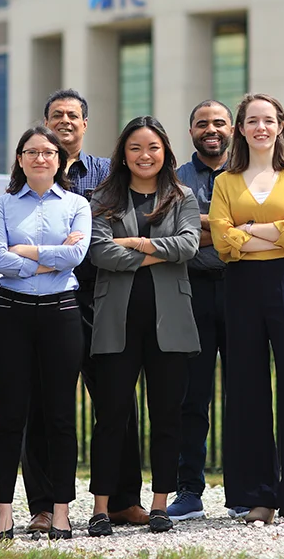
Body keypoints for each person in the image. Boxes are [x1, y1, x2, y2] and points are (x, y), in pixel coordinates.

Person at [22, 88, 149, 531]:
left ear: (85, 124)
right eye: (56, 115)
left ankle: (121, 499)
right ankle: (42, 506)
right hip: (47, 299)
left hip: (102, 298)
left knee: (117, 400)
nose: (65, 122)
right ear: (45, 122)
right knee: (43, 401)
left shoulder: (109, 174)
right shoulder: (29, 173)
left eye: (73, 115)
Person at [208, 93, 284, 525]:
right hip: (240, 286)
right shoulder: (225, 181)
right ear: (240, 128)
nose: (261, 127)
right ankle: (257, 495)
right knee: (246, 387)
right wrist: (273, 231)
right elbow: (222, 242)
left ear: (280, 126)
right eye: (252, 120)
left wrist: (246, 231)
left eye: (269, 120)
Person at [87, 116, 201, 536]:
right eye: (135, 147)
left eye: (152, 147)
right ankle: (101, 508)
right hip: (116, 320)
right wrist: (160, 251)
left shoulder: (181, 196)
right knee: (111, 416)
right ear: (124, 154)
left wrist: (134, 243)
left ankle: (159, 505)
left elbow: (189, 245)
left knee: (166, 415)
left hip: (169, 320)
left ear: (165, 152)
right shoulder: (103, 197)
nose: (144, 155)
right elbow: (100, 253)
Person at [0, 126, 91, 541]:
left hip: (61, 314)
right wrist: (51, 259)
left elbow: (76, 256)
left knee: (62, 416)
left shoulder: (78, 204)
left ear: (60, 159)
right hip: (11, 315)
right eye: (32, 152)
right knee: (10, 417)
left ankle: (61, 511)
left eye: (49, 152)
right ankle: (5, 513)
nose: (41, 158)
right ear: (20, 159)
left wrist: (25, 252)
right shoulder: (3, 205)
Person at [167, 100, 233, 522]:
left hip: (241, 290)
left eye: (219, 123)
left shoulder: (250, 174)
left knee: (245, 393)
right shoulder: (174, 181)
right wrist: (233, 228)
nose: (211, 129)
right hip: (190, 293)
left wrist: (201, 225)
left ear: (233, 129)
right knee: (191, 398)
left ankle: (248, 487)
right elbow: (175, 235)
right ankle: (188, 489)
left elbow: (258, 225)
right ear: (191, 131)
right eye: (202, 123)